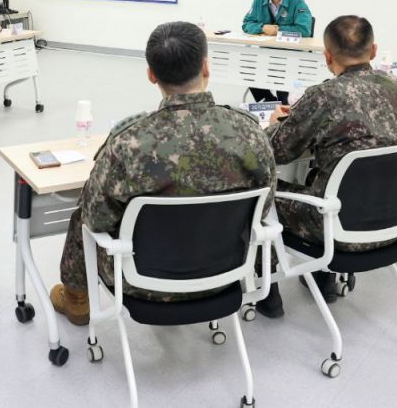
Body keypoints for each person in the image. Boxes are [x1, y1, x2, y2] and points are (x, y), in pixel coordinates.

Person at [50, 21, 276, 326]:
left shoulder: (129, 142)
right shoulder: (250, 133)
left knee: (81, 217)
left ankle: (77, 300)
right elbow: (264, 204)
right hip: (226, 273)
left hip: (140, 282)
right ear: (206, 67)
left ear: (151, 74)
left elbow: (95, 218)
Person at [263, 15, 397, 310]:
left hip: (337, 225)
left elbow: (276, 151)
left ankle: (266, 291)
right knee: (322, 178)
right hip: (395, 217)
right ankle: (324, 278)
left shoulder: (325, 96)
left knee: (260, 193)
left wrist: (275, 123)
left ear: (327, 57)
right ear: (374, 51)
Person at [243, 0, 314, 103]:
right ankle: (269, 102)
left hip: (291, 55)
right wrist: (262, 27)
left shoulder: (296, 1)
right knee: (248, 69)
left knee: (284, 96)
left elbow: (305, 30)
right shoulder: (258, 0)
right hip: (267, 54)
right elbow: (246, 23)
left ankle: (282, 104)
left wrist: (277, 30)